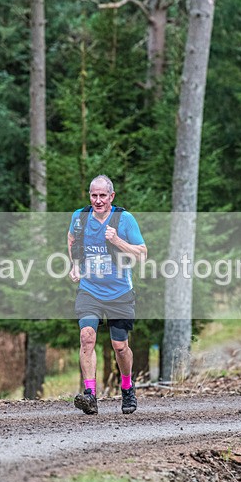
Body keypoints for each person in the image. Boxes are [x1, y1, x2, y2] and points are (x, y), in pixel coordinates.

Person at [68, 175, 147, 415]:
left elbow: (142, 254)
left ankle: (127, 388)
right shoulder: (80, 217)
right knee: (87, 337)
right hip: (90, 290)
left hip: (120, 292)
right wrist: (75, 265)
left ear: (111, 196)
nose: (98, 200)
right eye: (94, 195)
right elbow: (72, 239)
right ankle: (90, 395)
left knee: (120, 346)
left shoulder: (125, 219)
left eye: (103, 196)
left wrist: (117, 240)